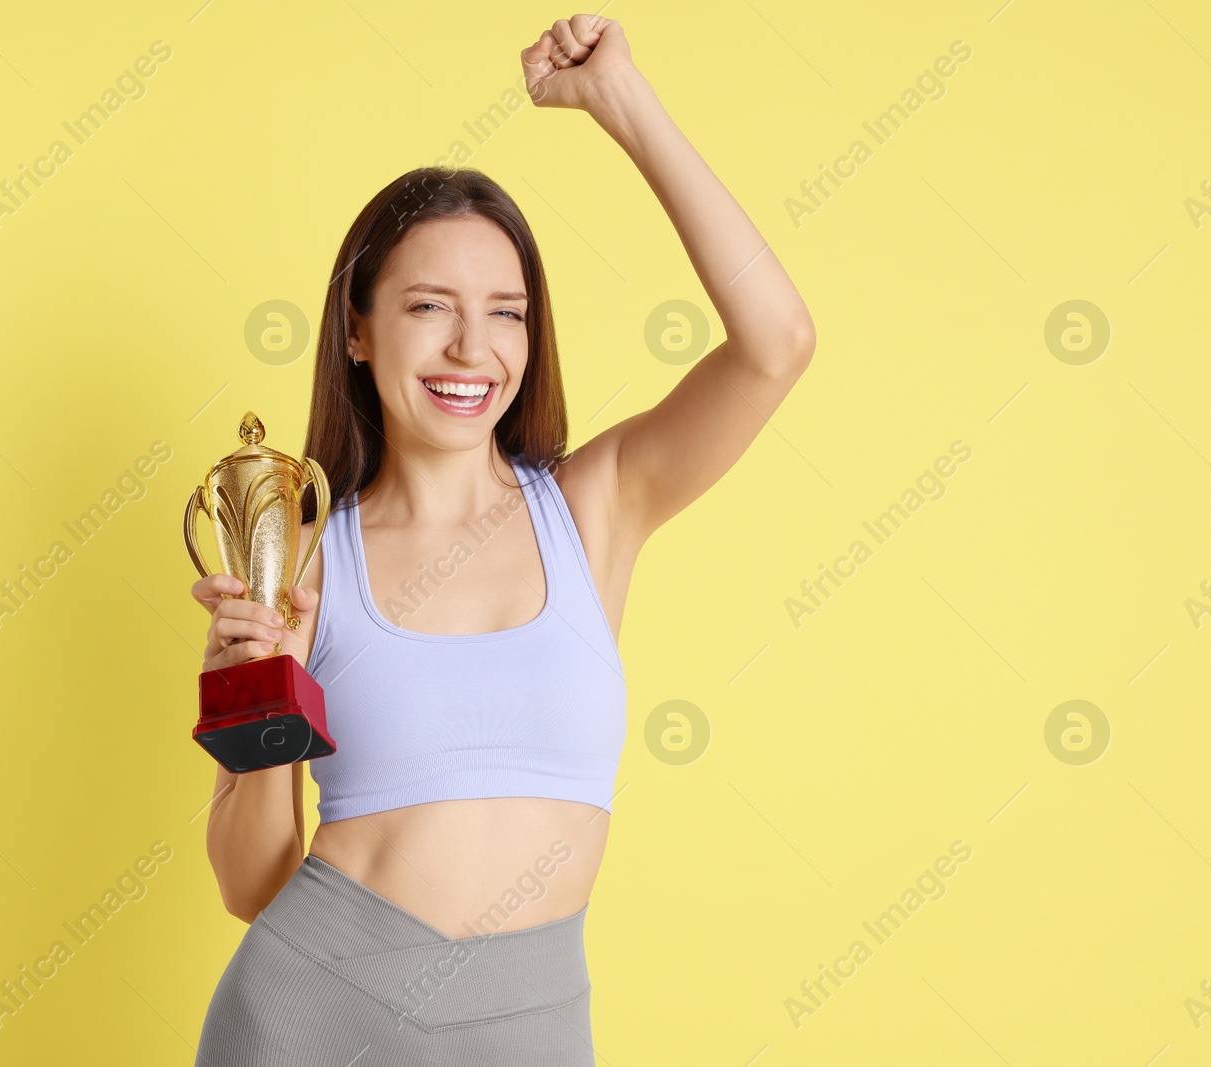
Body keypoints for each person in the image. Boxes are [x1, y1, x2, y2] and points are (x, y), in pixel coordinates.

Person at [191, 14, 815, 1064]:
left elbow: (776, 344)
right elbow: (251, 883)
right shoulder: (297, 557)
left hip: (529, 1025)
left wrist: (622, 103)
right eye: (428, 305)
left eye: (506, 312)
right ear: (356, 328)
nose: (470, 348)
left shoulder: (597, 505)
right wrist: (268, 691)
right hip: (308, 1014)